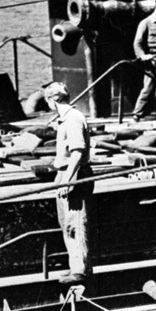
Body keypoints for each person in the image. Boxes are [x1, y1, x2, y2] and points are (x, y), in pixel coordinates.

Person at [44, 81, 93, 285]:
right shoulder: (66, 119)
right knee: (67, 225)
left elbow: (77, 152)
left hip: (73, 177)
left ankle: (80, 270)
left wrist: (67, 181)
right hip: (65, 175)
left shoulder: (72, 120)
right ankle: (76, 267)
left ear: (52, 100)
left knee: (76, 224)